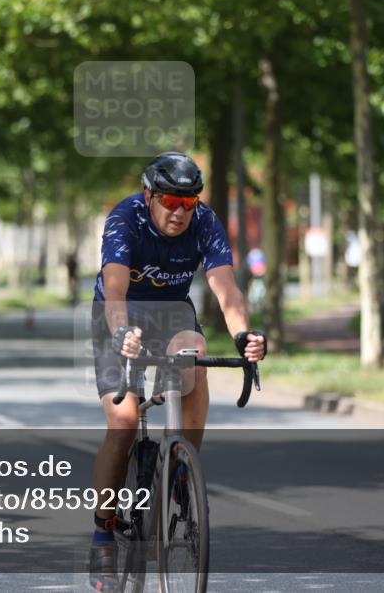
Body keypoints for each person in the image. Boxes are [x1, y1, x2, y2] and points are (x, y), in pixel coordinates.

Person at [87, 151, 266, 590]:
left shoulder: (204, 220)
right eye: (171, 202)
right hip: (119, 312)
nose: (181, 212)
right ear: (149, 197)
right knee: (125, 422)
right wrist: (121, 332)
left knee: (193, 364)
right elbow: (114, 288)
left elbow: (226, 289)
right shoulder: (124, 218)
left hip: (171, 313)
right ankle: (103, 530)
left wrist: (244, 335)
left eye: (189, 203)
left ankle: (183, 470)